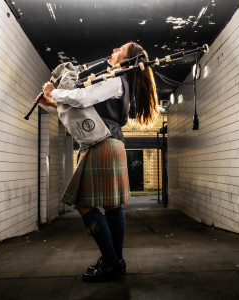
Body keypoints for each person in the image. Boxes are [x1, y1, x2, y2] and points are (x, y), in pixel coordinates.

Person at [36, 42, 158, 282]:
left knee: (83, 204)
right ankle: (115, 260)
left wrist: (54, 91)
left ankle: (111, 259)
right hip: (110, 143)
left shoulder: (115, 79)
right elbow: (86, 109)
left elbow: (81, 98)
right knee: (113, 206)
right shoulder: (119, 82)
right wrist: (53, 103)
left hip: (102, 143)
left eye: (120, 49)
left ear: (128, 58)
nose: (114, 50)